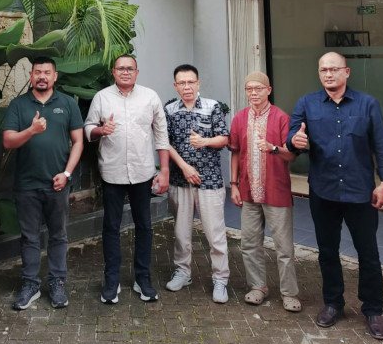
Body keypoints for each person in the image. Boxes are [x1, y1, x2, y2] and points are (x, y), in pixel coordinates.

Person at [287, 52, 383, 340]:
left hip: (360, 192)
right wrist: (294, 140)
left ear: (346, 72)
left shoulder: (367, 104)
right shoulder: (307, 103)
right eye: (323, 70)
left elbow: (381, 145)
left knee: (368, 253)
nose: (328, 74)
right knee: (327, 252)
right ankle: (333, 303)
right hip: (323, 191)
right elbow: (292, 137)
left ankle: (373, 310)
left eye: (334, 69)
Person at [84, 55, 169, 304]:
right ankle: (112, 280)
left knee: (144, 226)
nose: (125, 72)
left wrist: (164, 170)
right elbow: (88, 128)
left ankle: (143, 278)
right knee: (111, 227)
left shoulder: (150, 97)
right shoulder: (102, 97)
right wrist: (100, 130)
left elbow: (161, 135)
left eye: (130, 68)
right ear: (113, 72)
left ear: (137, 72)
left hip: (142, 172)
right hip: (112, 173)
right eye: (120, 68)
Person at [3, 57, 84, 310]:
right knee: (29, 237)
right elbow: (8, 141)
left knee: (58, 235)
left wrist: (67, 174)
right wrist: (31, 131)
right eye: (38, 72)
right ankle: (30, 284)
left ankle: (57, 282)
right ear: (31, 76)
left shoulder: (68, 103)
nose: (42, 76)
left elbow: (78, 141)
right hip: (26, 184)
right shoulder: (18, 105)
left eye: (47, 73)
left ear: (55, 76)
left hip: (57, 183)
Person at [229, 72, 301, 312]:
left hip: (276, 192)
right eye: (249, 89)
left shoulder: (281, 118)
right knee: (249, 243)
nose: (253, 93)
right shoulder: (240, 118)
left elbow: (291, 155)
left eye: (258, 88)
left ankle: (289, 293)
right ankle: (258, 287)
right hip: (248, 191)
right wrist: (233, 184)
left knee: (284, 248)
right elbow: (235, 152)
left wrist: (273, 148)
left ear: (268, 90)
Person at [164, 64, 230, 303]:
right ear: (176, 86)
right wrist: (184, 167)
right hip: (180, 180)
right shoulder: (170, 110)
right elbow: (165, 142)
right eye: (182, 83)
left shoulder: (213, 107)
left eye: (191, 82)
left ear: (198, 83)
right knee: (181, 233)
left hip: (209, 181)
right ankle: (183, 273)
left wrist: (205, 141)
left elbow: (224, 138)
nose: (187, 87)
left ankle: (220, 279)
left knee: (215, 234)